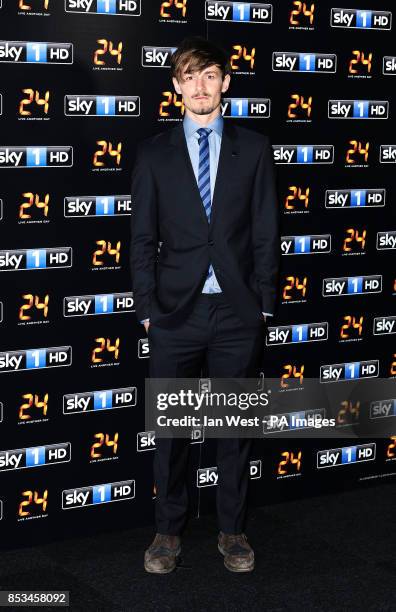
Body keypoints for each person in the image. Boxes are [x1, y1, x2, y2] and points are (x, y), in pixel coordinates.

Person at [130, 35, 280, 574]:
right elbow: (142, 239)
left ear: (226, 83)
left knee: (234, 432)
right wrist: (148, 308)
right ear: (175, 87)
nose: (200, 86)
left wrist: (264, 304)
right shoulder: (153, 153)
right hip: (175, 313)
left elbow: (266, 230)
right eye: (189, 76)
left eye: (210, 75)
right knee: (170, 435)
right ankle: (167, 532)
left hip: (238, 315)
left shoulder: (255, 148)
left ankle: (232, 530)